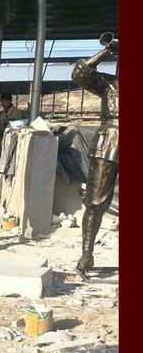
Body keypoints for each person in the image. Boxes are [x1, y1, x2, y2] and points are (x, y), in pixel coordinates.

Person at [72, 39, 119, 279]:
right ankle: (86, 255)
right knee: (95, 201)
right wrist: (106, 51)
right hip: (108, 141)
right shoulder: (108, 84)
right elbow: (80, 73)